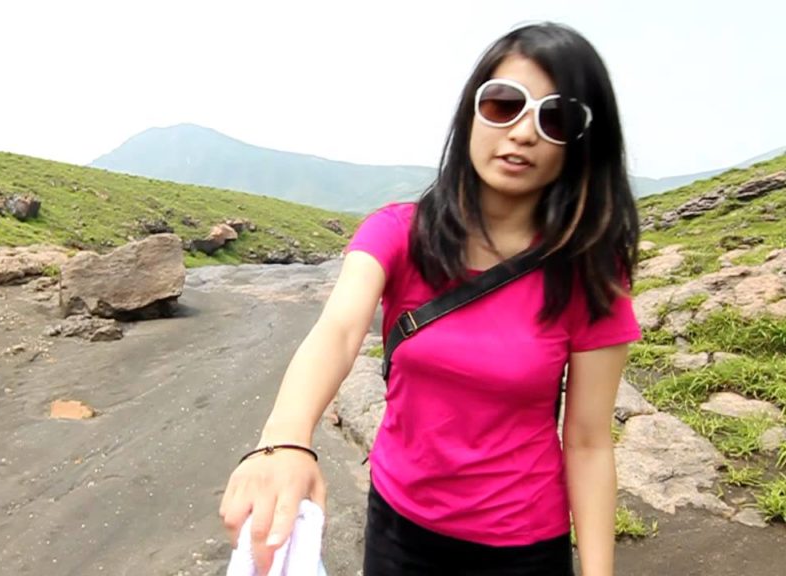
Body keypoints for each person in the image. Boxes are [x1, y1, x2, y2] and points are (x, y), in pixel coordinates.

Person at [219, 21, 641, 576]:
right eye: (504, 104)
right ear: (471, 113)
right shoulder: (398, 233)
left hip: (522, 547)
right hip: (399, 530)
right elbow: (338, 331)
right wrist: (284, 441)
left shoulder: (589, 272)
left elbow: (587, 441)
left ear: (583, 141)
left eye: (555, 118)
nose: (523, 132)